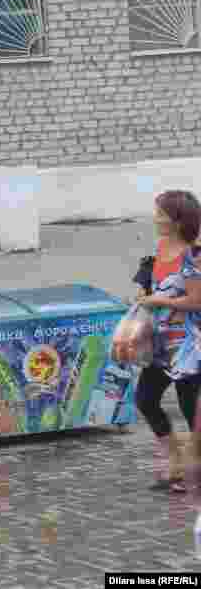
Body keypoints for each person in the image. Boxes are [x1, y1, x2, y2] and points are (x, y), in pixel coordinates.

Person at [134, 190, 201, 493]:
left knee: (190, 411)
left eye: (161, 213)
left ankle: (190, 470)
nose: (155, 218)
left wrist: (158, 299)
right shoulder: (160, 249)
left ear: (177, 220)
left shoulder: (193, 255)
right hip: (161, 344)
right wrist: (143, 297)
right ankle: (175, 462)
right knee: (146, 400)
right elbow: (152, 285)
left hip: (188, 345)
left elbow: (197, 301)